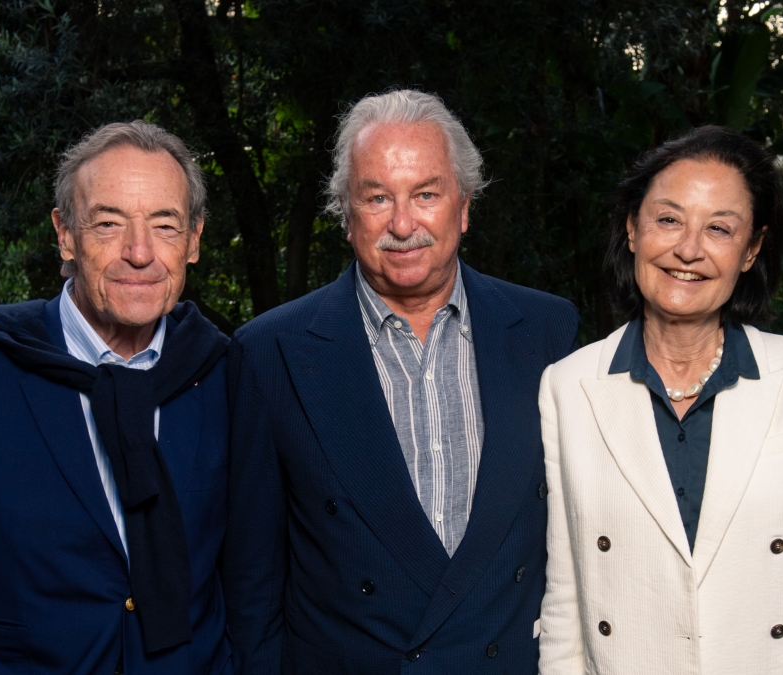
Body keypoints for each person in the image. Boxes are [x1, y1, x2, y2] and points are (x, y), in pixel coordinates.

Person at [223, 89, 580, 674]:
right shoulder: (270, 352)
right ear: (346, 215)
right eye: (377, 197)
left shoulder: (547, 330)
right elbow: (252, 583)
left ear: (463, 208)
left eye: (426, 194)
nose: (403, 223)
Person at [0, 121, 235, 675]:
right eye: (109, 223)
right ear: (65, 234)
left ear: (195, 240)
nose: (140, 252)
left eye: (165, 224)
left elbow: (255, 565)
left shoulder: (227, 373)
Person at [537, 126, 783, 674]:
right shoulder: (567, 387)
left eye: (719, 228)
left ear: (751, 249)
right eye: (668, 219)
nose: (688, 248)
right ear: (633, 229)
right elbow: (567, 597)